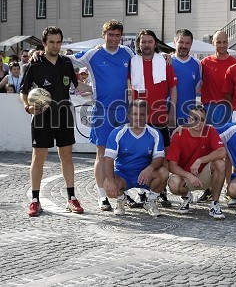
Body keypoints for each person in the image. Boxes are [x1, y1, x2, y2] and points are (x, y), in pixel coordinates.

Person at [20, 26, 92, 217]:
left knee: (67, 157)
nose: (55, 45)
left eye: (58, 42)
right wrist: (27, 106)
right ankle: (35, 200)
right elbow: (23, 92)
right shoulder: (34, 65)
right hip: (42, 117)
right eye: (51, 42)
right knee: (38, 158)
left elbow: (78, 86)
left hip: (63, 114)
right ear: (44, 43)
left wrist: (102, 89)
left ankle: (71, 198)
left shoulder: (67, 63)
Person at [69, 20, 135, 211]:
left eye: (117, 35)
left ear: (120, 36)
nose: (114, 39)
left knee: (122, 152)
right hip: (102, 110)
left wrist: (164, 56)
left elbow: (144, 62)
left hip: (123, 110)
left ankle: (121, 191)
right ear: (103, 35)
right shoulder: (93, 53)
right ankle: (101, 196)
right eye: (110, 35)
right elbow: (68, 60)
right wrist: (40, 53)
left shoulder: (127, 53)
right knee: (102, 153)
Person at [130, 29, 178, 207]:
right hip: (139, 117)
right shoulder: (132, 62)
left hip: (159, 116)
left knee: (162, 154)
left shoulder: (165, 62)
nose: (146, 45)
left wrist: (171, 110)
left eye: (149, 42)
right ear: (139, 44)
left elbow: (173, 87)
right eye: (143, 42)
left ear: (155, 43)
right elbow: (129, 87)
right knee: (142, 154)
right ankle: (142, 191)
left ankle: (161, 190)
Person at [103, 100, 169, 217]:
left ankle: (151, 201)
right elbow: (108, 160)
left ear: (147, 116)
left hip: (145, 175)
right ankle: (121, 199)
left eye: (142, 114)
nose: (138, 118)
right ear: (129, 116)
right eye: (134, 114)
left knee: (163, 172)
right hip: (124, 174)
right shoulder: (117, 133)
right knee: (108, 184)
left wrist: (150, 168)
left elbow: (160, 157)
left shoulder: (155, 133)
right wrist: (112, 182)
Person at [167, 105, 227, 219]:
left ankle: (215, 204)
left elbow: (222, 152)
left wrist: (200, 160)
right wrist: (189, 175)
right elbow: (171, 166)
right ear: (189, 120)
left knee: (220, 163)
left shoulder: (210, 131)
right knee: (174, 185)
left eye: (202, 119)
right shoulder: (179, 135)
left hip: (205, 175)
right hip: (186, 176)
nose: (199, 122)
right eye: (195, 119)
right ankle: (186, 197)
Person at [200, 30, 236, 126]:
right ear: (213, 43)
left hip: (229, 109)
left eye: (224, 42)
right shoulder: (204, 63)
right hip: (209, 109)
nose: (222, 45)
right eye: (218, 42)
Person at [171, 29, 201, 125]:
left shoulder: (197, 64)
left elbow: (197, 88)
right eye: (181, 42)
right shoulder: (166, 61)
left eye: (187, 43)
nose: (184, 46)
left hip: (189, 116)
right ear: (174, 42)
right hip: (169, 115)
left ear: (191, 45)